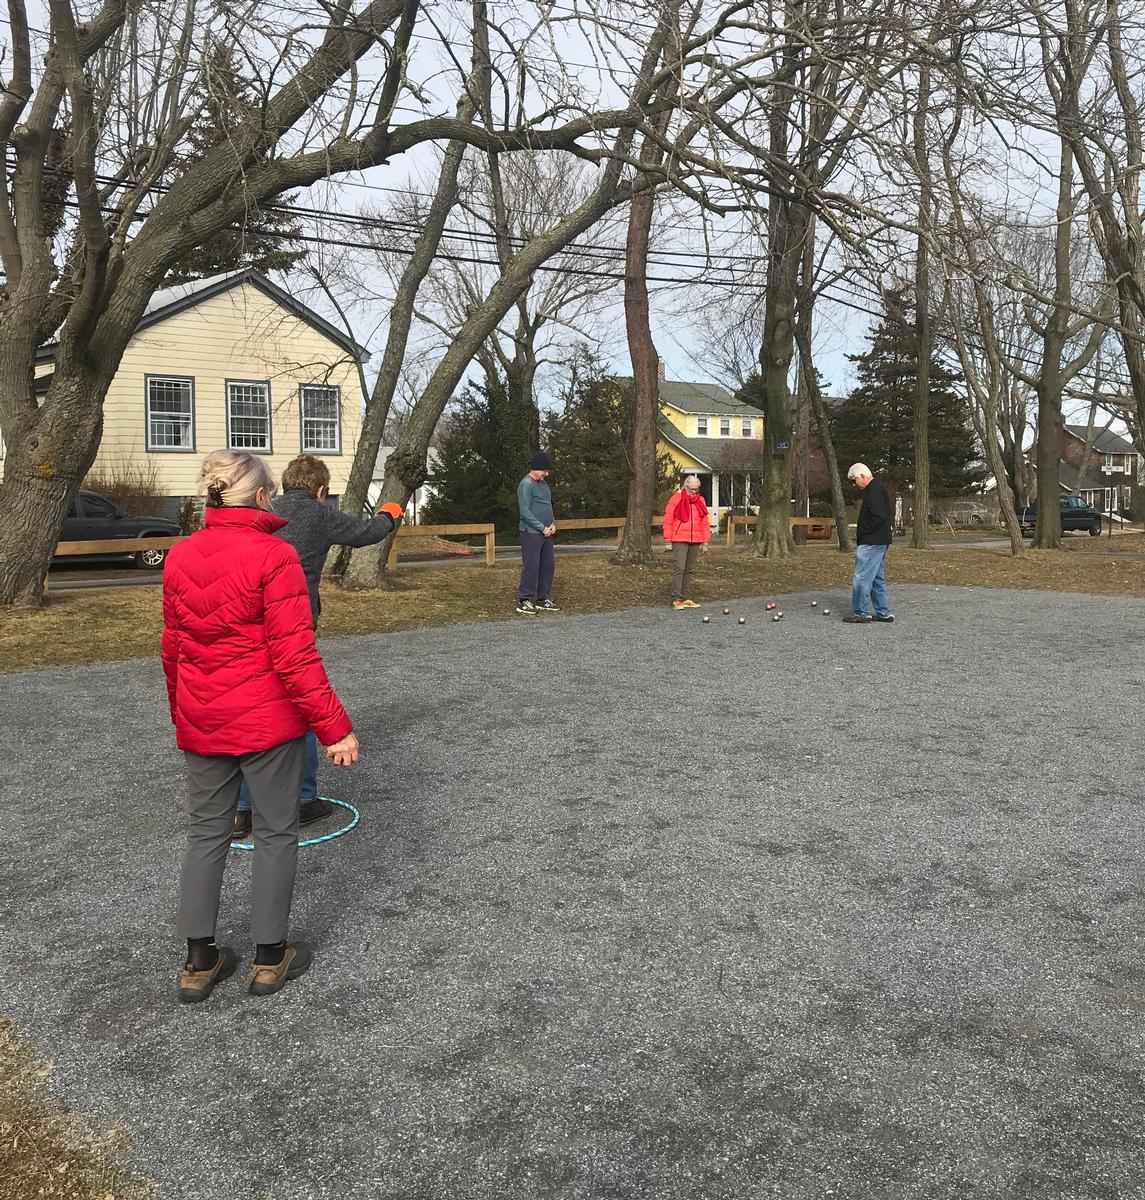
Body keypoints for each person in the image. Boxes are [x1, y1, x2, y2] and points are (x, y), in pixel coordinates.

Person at [162, 450, 361, 1003]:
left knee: (207, 832)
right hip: (266, 721)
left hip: (204, 717)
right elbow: (295, 656)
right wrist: (335, 728)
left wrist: (183, 710)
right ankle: (269, 957)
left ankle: (199, 960)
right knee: (276, 832)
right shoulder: (275, 556)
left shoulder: (180, 556)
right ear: (261, 495)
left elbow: (173, 649)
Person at [232, 454, 404, 837]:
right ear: (320, 490)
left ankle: (242, 809)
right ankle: (305, 799)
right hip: (295, 616)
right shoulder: (319, 513)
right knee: (301, 700)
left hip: (252, 618)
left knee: (250, 705)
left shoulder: (265, 510)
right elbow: (366, 533)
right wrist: (390, 514)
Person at [844, 462, 895, 624]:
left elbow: (879, 516)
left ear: (862, 475)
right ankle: (884, 612)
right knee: (876, 578)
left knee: (862, 577)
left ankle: (861, 612)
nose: (854, 484)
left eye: (854, 480)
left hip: (872, 541)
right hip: (879, 540)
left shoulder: (874, 490)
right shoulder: (876, 489)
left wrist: (863, 531)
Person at [516, 451, 561, 615]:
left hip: (547, 533)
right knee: (532, 566)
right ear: (536, 468)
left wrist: (552, 523)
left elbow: (548, 506)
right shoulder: (526, 484)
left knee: (548, 565)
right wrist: (542, 527)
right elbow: (525, 512)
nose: (546, 474)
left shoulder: (543, 485)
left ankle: (543, 598)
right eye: (544, 471)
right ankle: (524, 599)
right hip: (531, 532)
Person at [663, 474, 711, 609]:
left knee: (689, 569)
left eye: (696, 489)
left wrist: (706, 541)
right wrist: (668, 539)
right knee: (680, 567)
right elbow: (668, 519)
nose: (694, 492)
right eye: (692, 489)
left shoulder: (700, 500)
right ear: (685, 486)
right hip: (679, 538)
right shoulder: (676, 498)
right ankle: (676, 598)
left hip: (696, 539)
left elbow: (704, 522)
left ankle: (687, 597)